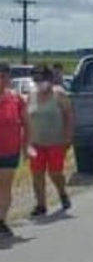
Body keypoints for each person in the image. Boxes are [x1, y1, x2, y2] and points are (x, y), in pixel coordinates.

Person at [27, 64, 74, 216]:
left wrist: (68, 137)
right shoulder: (32, 95)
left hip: (56, 141)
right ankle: (41, 204)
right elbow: (27, 117)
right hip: (36, 141)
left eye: (42, 79)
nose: (39, 82)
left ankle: (62, 192)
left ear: (50, 79)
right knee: (37, 173)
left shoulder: (59, 94)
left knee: (55, 172)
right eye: (36, 80)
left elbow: (69, 116)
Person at [0, 63, 29, 237]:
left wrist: (27, 146)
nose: (2, 80)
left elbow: (27, 124)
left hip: (10, 150)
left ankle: (2, 220)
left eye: (5, 76)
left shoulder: (16, 99)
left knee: (4, 187)